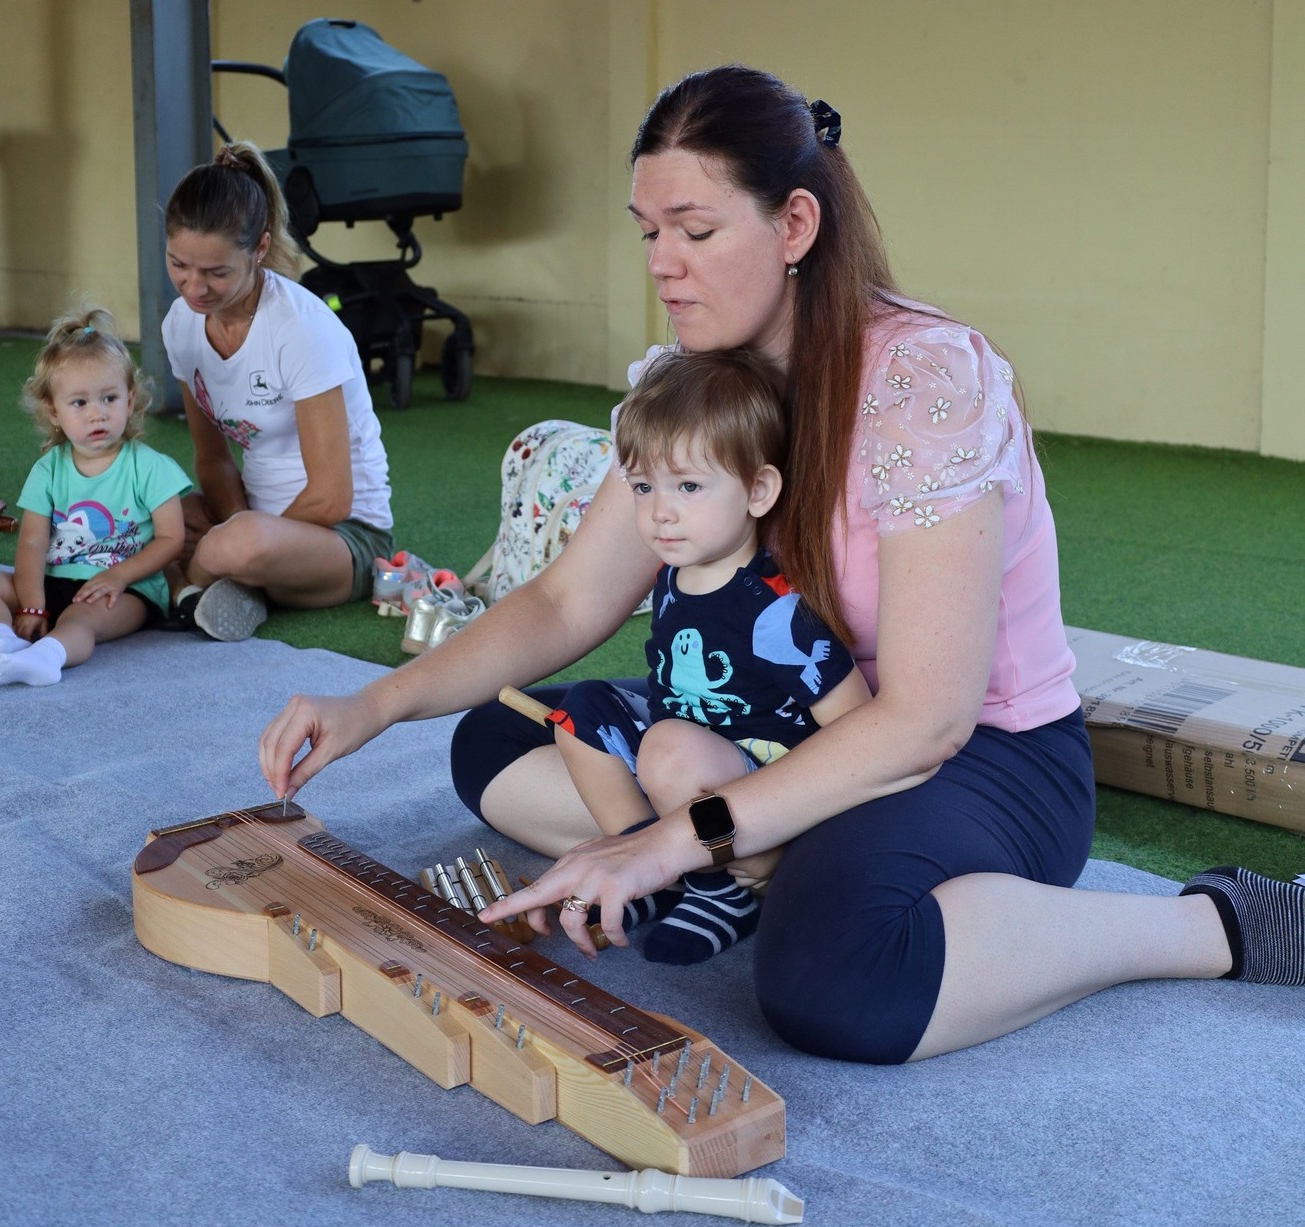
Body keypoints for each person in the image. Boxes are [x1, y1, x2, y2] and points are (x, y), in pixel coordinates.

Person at [258, 65, 1305, 1066]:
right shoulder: (693, 386)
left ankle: (1208, 924)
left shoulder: (925, 386)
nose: (662, 263)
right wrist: (376, 703)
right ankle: (768, 856)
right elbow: (569, 599)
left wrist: (666, 842)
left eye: (696, 230)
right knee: (494, 737)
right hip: (774, 727)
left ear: (795, 225)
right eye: (649, 232)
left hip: (979, 755)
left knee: (829, 975)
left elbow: (927, 721)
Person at [551, 347, 870, 965]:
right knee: (579, 711)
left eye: (689, 486)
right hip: (687, 748)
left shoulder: (773, 608)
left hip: (761, 776)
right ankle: (646, 862)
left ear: (758, 490)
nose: (659, 511)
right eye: (643, 486)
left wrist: (780, 835)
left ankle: (723, 890)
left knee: (668, 747)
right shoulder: (674, 573)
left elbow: (858, 730)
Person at [160, 141, 393, 641]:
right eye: (179, 264)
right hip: (253, 519)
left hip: (343, 538)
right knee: (153, 514)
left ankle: (187, 590)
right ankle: (232, 580)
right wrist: (235, 523)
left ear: (260, 249)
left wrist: (230, 545)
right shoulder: (181, 325)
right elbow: (213, 461)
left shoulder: (300, 327)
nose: (194, 288)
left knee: (234, 545)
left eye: (217, 272)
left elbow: (331, 498)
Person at [0, 308, 190, 686]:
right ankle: (1, 644)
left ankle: (47, 658)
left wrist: (118, 576)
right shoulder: (49, 469)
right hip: (53, 581)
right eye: (80, 403)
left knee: (80, 618)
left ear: (130, 400)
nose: (97, 414)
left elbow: (171, 539)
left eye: (110, 398)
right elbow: (32, 542)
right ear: (54, 412)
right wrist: (33, 603)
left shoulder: (150, 467)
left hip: (125, 591)